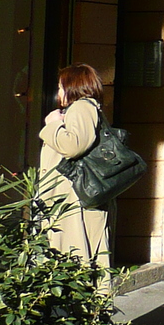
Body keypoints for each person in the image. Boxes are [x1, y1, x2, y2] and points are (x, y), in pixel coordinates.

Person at [39, 63, 110, 273]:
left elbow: (74, 146)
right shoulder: (84, 108)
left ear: (73, 86)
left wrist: (52, 124)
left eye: (61, 87)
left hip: (73, 200)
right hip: (73, 198)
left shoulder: (82, 107)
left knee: (74, 259)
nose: (58, 92)